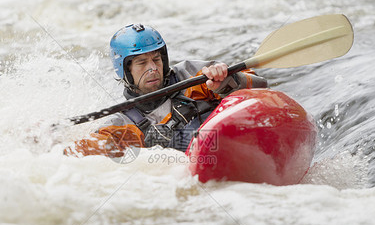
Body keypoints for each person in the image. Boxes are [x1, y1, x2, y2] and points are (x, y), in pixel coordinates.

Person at [64, 23, 267, 158]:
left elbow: (260, 86)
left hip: (234, 147)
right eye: (142, 63)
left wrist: (224, 82)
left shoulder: (193, 74)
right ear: (126, 71)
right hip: (198, 170)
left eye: (156, 59)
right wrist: (50, 144)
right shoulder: (123, 124)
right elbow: (85, 153)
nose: (152, 68)